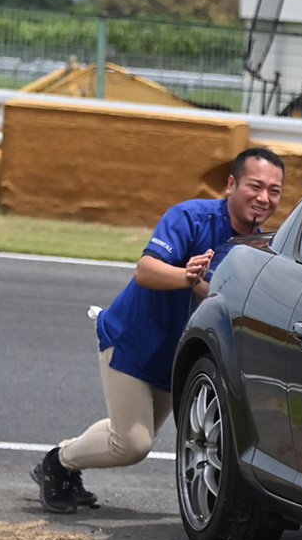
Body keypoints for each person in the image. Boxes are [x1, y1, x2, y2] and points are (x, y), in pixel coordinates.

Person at [34, 147, 285, 513]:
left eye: (274, 191)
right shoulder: (189, 217)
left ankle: (66, 464)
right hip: (132, 341)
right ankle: (57, 463)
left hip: (176, 357)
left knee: (130, 432)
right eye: (255, 186)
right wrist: (186, 274)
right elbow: (146, 270)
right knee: (133, 445)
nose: (264, 198)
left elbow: (216, 296)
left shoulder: (258, 249)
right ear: (231, 184)